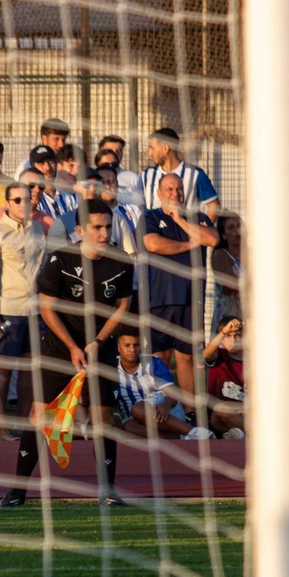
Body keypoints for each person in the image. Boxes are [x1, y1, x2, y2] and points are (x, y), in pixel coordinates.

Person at [0, 202, 133, 508]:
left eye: (108, 227)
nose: (104, 233)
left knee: (103, 419)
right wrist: (73, 347)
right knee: (39, 416)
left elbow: (122, 307)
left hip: (100, 349)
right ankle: (18, 490)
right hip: (60, 349)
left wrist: (97, 342)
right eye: (97, 228)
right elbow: (47, 308)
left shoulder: (121, 260)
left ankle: (108, 491)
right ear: (80, 231)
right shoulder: (59, 260)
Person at [140, 173, 220, 404]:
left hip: (191, 298)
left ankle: (189, 412)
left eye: (179, 190)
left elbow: (212, 239)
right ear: (159, 193)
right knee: (159, 356)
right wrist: (190, 244)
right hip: (160, 298)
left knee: (187, 357)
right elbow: (154, 244)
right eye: (169, 189)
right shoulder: (150, 217)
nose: (175, 194)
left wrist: (182, 222)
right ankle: (158, 408)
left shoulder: (197, 216)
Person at [0, 182, 46, 422]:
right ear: (7, 203)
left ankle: (26, 422)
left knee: (29, 370)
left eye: (27, 199)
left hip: (35, 311)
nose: (23, 204)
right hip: (7, 310)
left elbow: (42, 268)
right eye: (17, 200)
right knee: (0, 372)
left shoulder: (37, 229)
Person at [115, 329, 208, 440]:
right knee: (128, 427)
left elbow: (174, 394)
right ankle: (178, 438)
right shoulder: (111, 367)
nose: (132, 350)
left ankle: (195, 431)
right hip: (136, 420)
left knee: (138, 409)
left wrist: (166, 404)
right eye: (127, 345)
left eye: (136, 345)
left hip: (165, 411)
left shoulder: (152, 362)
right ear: (118, 347)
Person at [140, 127, 219, 219]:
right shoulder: (146, 175)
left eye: (152, 148)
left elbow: (214, 206)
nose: (150, 154)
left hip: (185, 231)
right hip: (156, 232)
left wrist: (200, 230)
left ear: (165, 148)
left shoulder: (195, 174)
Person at [203, 315, 247, 436]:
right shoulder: (219, 355)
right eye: (228, 335)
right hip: (220, 416)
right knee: (221, 409)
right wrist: (223, 331)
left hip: (246, 414)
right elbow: (205, 354)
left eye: (237, 335)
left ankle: (233, 435)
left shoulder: (253, 360)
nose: (233, 340)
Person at [94, 134, 145, 206]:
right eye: (110, 150)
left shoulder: (133, 178)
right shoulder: (92, 177)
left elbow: (140, 206)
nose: (114, 153)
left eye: (118, 150)